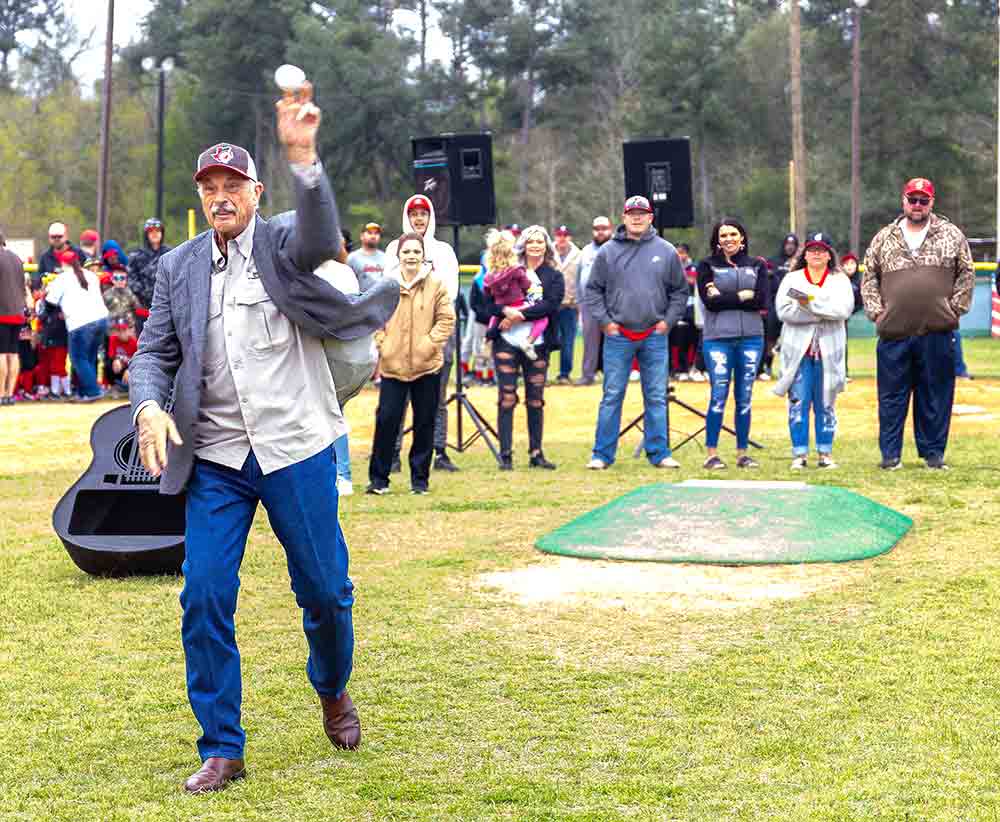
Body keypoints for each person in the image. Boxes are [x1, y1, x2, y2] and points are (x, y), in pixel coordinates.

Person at [128, 81, 399, 793]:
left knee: (325, 591)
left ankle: (332, 685)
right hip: (215, 458)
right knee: (205, 595)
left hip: (296, 446)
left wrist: (303, 157)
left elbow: (319, 235)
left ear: (253, 191)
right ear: (201, 195)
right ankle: (222, 744)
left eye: (233, 184)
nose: (221, 195)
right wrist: (149, 405)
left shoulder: (281, 241)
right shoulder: (177, 266)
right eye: (209, 185)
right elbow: (153, 352)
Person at [862, 177, 974, 470]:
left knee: (935, 396)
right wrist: (877, 312)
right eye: (913, 199)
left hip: (937, 331)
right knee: (891, 398)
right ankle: (890, 456)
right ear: (904, 201)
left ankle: (933, 455)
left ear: (932, 203)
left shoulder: (951, 234)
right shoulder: (884, 237)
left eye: (923, 200)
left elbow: (966, 273)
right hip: (894, 332)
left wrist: (954, 310)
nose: (917, 205)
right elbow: (869, 276)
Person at [584, 196, 688, 470]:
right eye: (632, 213)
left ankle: (659, 453)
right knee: (612, 395)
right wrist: (606, 322)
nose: (637, 218)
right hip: (618, 335)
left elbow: (680, 291)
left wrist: (668, 321)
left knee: (655, 396)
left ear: (651, 217)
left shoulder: (666, 251)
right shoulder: (607, 251)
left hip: (654, 334)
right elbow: (593, 290)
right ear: (624, 217)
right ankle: (602, 454)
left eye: (643, 213)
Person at [367, 233, 455, 494]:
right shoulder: (386, 285)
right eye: (407, 252)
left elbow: (446, 320)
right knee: (387, 421)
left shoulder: (436, 284)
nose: (411, 256)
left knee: (425, 422)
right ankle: (379, 480)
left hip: (427, 366)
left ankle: (419, 481)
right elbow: (375, 318)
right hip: (393, 366)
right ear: (399, 256)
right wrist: (384, 343)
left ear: (423, 255)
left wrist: (428, 344)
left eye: (416, 252)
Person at [385, 195, 461, 472]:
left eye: (424, 214)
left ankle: (438, 451)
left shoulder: (444, 251)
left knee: (436, 397)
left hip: (436, 334)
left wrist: (432, 335)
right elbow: (387, 291)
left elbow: (449, 293)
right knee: (397, 399)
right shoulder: (395, 247)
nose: (419, 219)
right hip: (401, 335)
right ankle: (392, 454)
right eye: (414, 214)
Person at [772, 233, 855, 469]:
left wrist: (809, 303)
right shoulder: (792, 279)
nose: (817, 253)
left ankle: (825, 453)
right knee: (799, 401)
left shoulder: (840, 280)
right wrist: (821, 308)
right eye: (812, 249)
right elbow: (784, 311)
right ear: (804, 253)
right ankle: (799, 454)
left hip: (829, 350)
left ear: (829, 254)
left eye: (822, 249)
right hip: (799, 350)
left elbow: (843, 310)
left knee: (826, 402)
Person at [488, 224, 564, 470]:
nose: (535, 245)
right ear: (523, 244)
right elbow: (482, 302)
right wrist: (503, 312)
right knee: (507, 396)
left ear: (546, 245)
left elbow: (550, 306)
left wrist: (519, 316)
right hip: (506, 340)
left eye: (540, 241)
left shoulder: (553, 275)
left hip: (537, 343)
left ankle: (536, 452)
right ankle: (506, 454)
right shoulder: (506, 267)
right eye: (530, 241)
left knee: (535, 398)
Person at [696, 218, 770, 470]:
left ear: (742, 238)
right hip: (717, 339)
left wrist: (724, 296)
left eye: (733, 234)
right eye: (723, 235)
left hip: (751, 338)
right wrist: (741, 296)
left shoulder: (757, 265)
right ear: (718, 239)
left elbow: (761, 300)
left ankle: (742, 454)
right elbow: (709, 302)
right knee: (718, 395)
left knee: (745, 397)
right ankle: (712, 454)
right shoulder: (706, 265)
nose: (728, 239)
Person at [42, 250, 108, 402]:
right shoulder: (91, 276)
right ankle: (84, 391)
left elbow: (50, 303)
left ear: (63, 263)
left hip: (80, 323)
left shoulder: (62, 278)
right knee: (89, 358)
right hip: (101, 319)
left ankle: (93, 391)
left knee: (78, 358)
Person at [483, 230, 549, 359]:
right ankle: (529, 341)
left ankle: (487, 340)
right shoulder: (517, 270)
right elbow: (526, 285)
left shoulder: (488, 276)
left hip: (501, 306)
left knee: (494, 319)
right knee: (543, 319)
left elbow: (487, 294)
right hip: (518, 305)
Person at [575, 216, 613, 386]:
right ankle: (587, 375)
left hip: (612, 304)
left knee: (614, 341)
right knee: (590, 341)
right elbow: (578, 279)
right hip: (589, 304)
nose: (600, 231)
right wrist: (579, 302)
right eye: (597, 228)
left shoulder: (617, 249)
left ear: (610, 229)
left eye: (604, 228)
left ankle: (613, 377)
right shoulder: (585, 251)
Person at [761, 233, 799, 380]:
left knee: (790, 340)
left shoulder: (799, 264)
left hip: (793, 305)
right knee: (770, 338)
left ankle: (790, 370)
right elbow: (768, 285)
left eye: (793, 244)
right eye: (787, 243)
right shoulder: (774, 261)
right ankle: (767, 368)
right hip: (774, 306)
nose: (790, 246)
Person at [128, 218, 172, 330]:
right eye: (151, 231)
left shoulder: (171, 254)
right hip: (143, 309)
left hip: (165, 307)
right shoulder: (136, 256)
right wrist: (145, 293)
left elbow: (177, 277)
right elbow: (131, 280)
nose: (155, 234)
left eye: (157, 231)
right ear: (146, 234)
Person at [669, 242, 705, 382]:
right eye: (677, 252)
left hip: (693, 310)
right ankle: (680, 369)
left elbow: (696, 284)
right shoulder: (670, 268)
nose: (680, 255)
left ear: (687, 254)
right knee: (680, 342)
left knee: (695, 340)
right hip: (677, 309)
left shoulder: (695, 267)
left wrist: (687, 281)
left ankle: (694, 368)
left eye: (682, 252)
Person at [0, 228, 27, 406]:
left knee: (1, 353)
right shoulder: (17, 258)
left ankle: (1, 392)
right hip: (18, 313)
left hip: (2, 313)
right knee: (13, 352)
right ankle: (10, 393)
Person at [552, 225, 581, 384]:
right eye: (559, 235)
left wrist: (578, 302)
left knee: (568, 341)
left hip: (570, 305)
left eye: (565, 235)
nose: (562, 238)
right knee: (548, 340)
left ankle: (564, 374)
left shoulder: (579, 255)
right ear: (555, 236)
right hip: (550, 305)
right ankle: (542, 373)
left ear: (569, 237)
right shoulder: (547, 253)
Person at [107, 318, 138, 396]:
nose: (121, 333)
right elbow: (111, 355)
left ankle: (128, 387)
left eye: (124, 330)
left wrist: (129, 370)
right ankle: (114, 386)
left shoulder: (134, 342)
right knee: (109, 363)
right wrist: (116, 360)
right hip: (120, 369)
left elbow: (138, 361)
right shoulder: (113, 339)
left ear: (129, 331)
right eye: (119, 330)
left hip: (131, 369)